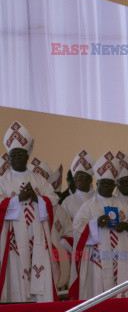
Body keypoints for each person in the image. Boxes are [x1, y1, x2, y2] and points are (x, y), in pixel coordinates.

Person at [0, 121, 59, 302]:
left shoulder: (39, 180)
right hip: (13, 243)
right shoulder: (3, 181)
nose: (18, 157)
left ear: (27, 156)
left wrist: (37, 199)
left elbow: (54, 199)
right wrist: (17, 199)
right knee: (15, 282)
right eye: (14, 154)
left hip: (37, 241)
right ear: (8, 157)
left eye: (21, 154)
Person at [68, 151, 128, 300]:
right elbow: (77, 228)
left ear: (115, 185)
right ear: (97, 183)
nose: (107, 186)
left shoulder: (124, 206)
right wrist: (95, 224)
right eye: (103, 183)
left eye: (110, 183)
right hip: (98, 260)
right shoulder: (88, 206)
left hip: (122, 258)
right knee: (99, 294)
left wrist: (126, 226)